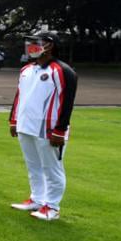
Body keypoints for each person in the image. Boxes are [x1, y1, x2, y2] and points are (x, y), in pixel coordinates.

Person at [8, 32, 78, 221]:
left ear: (49, 45)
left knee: (52, 167)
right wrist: (14, 120)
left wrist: (60, 130)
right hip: (26, 125)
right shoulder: (26, 70)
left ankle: (52, 207)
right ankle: (37, 199)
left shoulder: (62, 70)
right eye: (29, 42)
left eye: (36, 42)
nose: (30, 46)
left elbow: (67, 103)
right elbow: (19, 96)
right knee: (33, 165)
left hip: (49, 129)